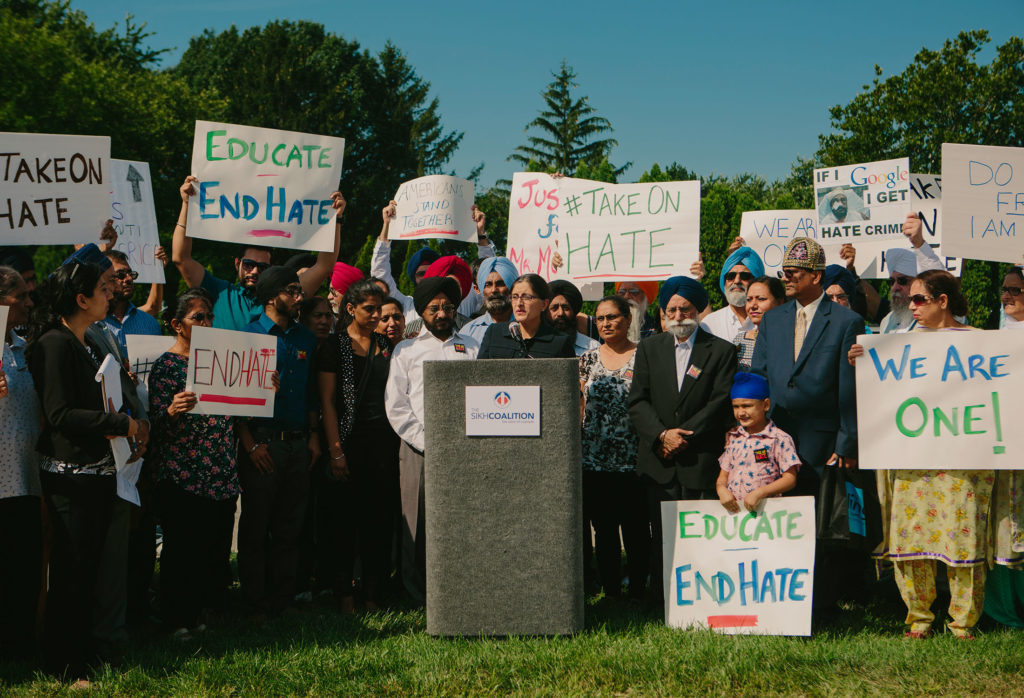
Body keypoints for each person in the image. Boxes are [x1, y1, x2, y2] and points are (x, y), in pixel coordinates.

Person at [849, 270, 1003, 638]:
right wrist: (864, 363)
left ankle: (963, 621)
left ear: (943, 301)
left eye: (920, 299)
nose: (911, 305)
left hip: (961, 465)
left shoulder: (981, 345)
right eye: (911, 299)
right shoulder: (896, 347)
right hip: (913, 462)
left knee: (962, 538)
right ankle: (919, 617)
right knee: (911, 538)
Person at [26, 262, 140, 681]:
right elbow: (59, 414)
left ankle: (83, 653)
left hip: (95, 472)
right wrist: (118, 424)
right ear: (81, 299)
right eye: (101, 289)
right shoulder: (54, 344)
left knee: (88, 568)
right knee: (71, 572)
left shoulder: (87, 343)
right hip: (69, 476)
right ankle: (63, 665)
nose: (110, 294)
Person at [751, 237, 864, 621]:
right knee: (780, 518)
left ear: (816, 275)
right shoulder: (773, 318)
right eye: (784, 272)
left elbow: (849, 387)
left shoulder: (846, 320)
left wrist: (847, 441)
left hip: (823, 439)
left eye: (794, 273)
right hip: (777, 436)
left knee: (821, 525)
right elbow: (760, 374)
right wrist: (756, 434)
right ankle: (782, 599)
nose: (786, 279)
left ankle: (822, 605)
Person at [627, 276, 737, 601]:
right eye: (671, 309)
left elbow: (720, 402)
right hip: (659, 460)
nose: (678, 316)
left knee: (701, 535)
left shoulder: (720, 351)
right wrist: (662, 435)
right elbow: (637, 401)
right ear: (662, 312)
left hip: (699, 459)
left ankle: (702, 601)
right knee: (662, 535)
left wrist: (683, 436)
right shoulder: (649, 348)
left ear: (699, 310)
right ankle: (663, 600)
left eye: (684, 309)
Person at [148, 289, 239, 639]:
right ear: (177, 324)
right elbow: (155, 423)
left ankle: (201, 612)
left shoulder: (221, 359)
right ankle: (176, 619)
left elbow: (240, 407)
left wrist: (264, 388)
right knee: (182, 549)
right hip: (182, 474)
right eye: (197, 317)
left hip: (219, 470)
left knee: (210, 548)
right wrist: (171, 409)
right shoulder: (166, 366)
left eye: (209, 317)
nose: (206, 323)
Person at [385, 277, 479, 603]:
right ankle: (416, 593)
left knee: (461, 520)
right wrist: (427, 442)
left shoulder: (471, 347)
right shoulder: (406, 349)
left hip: (465, 449)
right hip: (418, 449)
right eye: (434, 307)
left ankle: (458, 589)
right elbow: (396, 406)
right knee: (417, 521)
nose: (442, 313)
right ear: (422, 311)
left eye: (448, 307)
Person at [236, 266, 321, 617]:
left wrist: (314, 438)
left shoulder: (306, 339)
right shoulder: (246, 336)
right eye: (291, 290)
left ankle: (282, 601)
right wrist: (250, 445)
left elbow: (313, 392)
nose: (299, 296)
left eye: (299, 290)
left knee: (290, 526)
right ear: (271, 297)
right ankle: (254, 603)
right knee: (256, 527)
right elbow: (233, 401)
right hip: (261, 445)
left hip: (298, 445)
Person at [172, 175, 345, 331]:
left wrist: (335, 219)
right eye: (249, 265)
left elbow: (324, 265)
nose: (254, 271)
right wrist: (187, 205)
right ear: (237, 263)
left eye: (262, 267)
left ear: (271, 269)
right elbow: (180, 258)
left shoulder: (287, 295)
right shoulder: (218, 291)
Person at [318, 280, 398, 613]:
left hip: (383, 445)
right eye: (370, 309)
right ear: (350, 309)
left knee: (378, 522)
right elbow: (327, 402)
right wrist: (335, 451)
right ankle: (344, 594)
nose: (377, 315)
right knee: (343, 524)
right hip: (347, 443)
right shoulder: (334, 346)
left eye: (380, 308)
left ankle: (373, 594)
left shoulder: (387, 345)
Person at [579, 294, 649, 599]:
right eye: (601, 318)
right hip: (595, 461)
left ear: (628, 319)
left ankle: (637, 589)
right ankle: (610, 591)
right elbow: (580, 405)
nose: (606, 323)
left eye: (613, 317)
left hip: (633, 459)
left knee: (636, 531)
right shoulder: (587, 360)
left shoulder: (645, 356)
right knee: (604, 531)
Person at [0, 265, 42, 660]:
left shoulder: (22, 348)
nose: (30, 302)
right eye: (21, 297)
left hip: (26, 482)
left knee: (23, 572)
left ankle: (20, 649)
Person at [373, 200, 493, 322]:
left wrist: (480, 233)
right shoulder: (407, 307)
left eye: (432, 271)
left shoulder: (464, 301)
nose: (427, 277)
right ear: (413, 278)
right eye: (421, 274)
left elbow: (489, 274)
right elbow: (380, 275)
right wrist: (387, 225)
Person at [985, 267, 1024, 627]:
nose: (1007, 296)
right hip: (1003, 446)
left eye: (1016, 290)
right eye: (1004, 289)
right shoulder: (992, 338)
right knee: (1003, 525)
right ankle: (1002, 608)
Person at [716, 373, 800, 513]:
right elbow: (722, 477)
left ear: (765, 405)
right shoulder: (733, 438)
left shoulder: (779, 439)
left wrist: (760, 493)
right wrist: (721, 490)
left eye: (747, 406)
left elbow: (790, 479)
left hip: (766, 516)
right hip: (735, 516)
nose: (741, 412)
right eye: (736, 407)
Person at [877, 213, 948, 333]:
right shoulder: (887, 322)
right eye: (891, 281)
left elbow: (940, 284)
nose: (895, 287)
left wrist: (919, 243)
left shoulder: (937, 317)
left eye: (902, 280)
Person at [478, 274, 575, 359]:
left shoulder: (560, 341)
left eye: (527, 297)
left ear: (544, 304)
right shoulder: (495, 333)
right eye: (515, 297)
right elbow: (479, 375)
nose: (519, 303)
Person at [101, 249, 165, 353]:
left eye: (131, 274)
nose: (129, 278)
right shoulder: (90, 323)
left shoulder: (150, 323)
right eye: (121, 274)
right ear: (103, 278)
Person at [703, 244, 765, 342]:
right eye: (731, 276)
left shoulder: (770, 322)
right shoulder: (709, 324)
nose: (736, 281)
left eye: (744, 276)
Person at [403, 255, 476, 337]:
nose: (451, 292)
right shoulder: (411, 329)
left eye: (456, 287)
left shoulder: (473, 328)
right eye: (446, 287)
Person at [732, 276, 785, 372]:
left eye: (761, 299)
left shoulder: (790, 339)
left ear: (780, 302)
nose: (753, 305)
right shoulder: (740, 340)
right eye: (749, 299)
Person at [461, 256, 519, 343]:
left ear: (513, 287)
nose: (494, 290)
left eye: (500, 284)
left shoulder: (527, 327)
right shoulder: (469, 332)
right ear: (479, 289)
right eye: (488, 285)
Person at [549, 280, 600, 356]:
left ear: (574, 311)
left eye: (566, 308)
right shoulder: (535, 345)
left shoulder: (592, 347)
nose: (560, 313)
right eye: (554, 308)